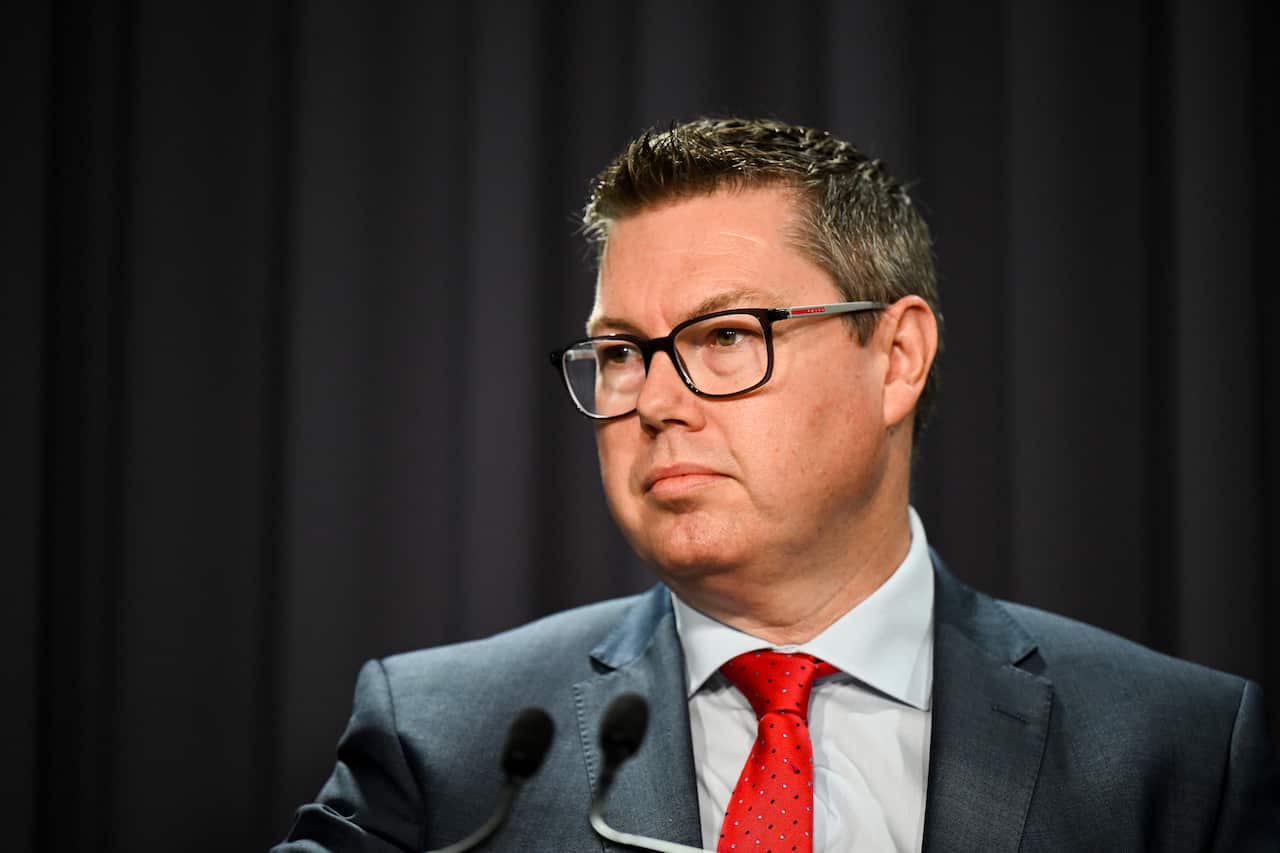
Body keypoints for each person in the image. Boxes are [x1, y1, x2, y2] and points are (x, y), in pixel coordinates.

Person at [274, 118, 1279, 852]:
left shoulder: (1176, 754)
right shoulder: (446, 740)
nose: (655, 401)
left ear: (895, 358)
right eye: (620, 351)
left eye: (722, 337)